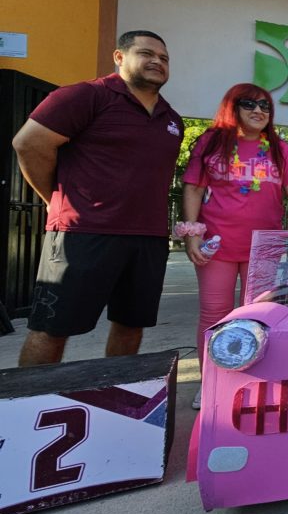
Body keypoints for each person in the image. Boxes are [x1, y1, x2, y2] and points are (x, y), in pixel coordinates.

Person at [13, 30, 182, 367]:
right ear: (119, 58)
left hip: (148, 240)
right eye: (146, 53)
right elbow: (28, 144)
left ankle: (113, 393)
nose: (157, 62)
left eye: (163, 58)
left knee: (132, 324)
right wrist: (56, 199)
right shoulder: (85, 96)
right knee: (52, 327)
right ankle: (29, 403)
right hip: (83, 233)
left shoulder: (171, 119)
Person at [180, 84, 288, 407]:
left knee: (256, 316)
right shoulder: (210, 143)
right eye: (249, 104)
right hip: (217, 247)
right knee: (215, 315)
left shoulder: (280, 149)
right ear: (233, 107)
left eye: (265, 106)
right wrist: (192, 232)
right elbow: (194, 189)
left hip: (264, 248)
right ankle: (211, 381)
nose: (258, 111)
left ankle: (249, 382)